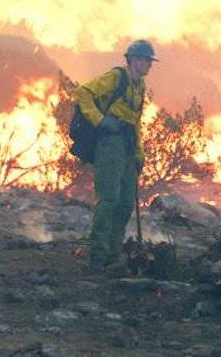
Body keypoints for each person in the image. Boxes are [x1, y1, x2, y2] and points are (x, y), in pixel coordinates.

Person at [74, 40, 155, 274]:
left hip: (128, 144)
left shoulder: (139, 86)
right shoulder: (117, 77)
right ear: (132, 59)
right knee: (108, 199)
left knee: (125, 203)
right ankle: (97, 257)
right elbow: (83, 92)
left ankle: (113, 254)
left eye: (150, 61)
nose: (148, 64)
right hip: (110, 142)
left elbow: (136, 123)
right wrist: (100, 120)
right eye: (144, 59)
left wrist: (139, 154)